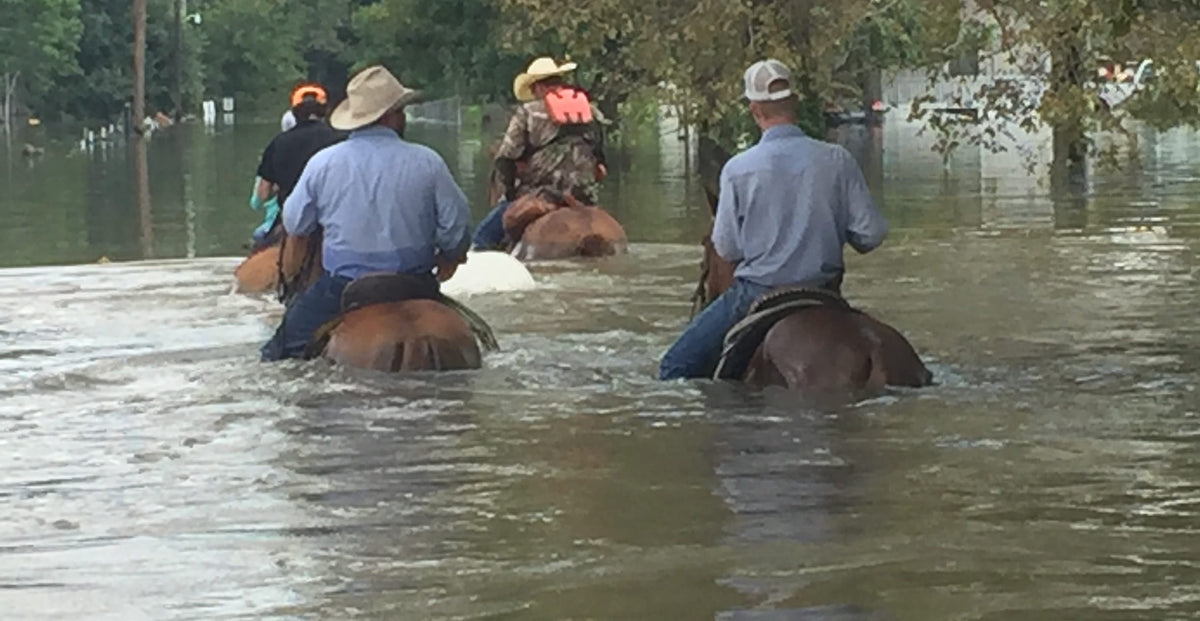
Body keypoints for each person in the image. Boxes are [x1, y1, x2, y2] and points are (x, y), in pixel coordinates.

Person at [658, 59, 889, 381]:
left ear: (754, 110)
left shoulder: (738, 169)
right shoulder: (838, 160)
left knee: (674, 367)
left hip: (759, 291)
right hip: (825, 290)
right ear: (794, 102)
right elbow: (872, 234)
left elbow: (726, 248)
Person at [260, 65, 472, 362]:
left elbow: (296, 222)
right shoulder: (429, 162)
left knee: (279, 354)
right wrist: (449, 255)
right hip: (416, 281)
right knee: (481, 341)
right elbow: (457, 225)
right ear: (392, 116)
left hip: (344, 285)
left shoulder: (323, 163)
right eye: (401, 110)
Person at [472, 57, 607, 250]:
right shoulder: (590, 111)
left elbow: (505, 159)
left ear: (539, 87)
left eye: (534, 90)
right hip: (583, 195)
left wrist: (510, 197)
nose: (534, 95)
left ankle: (480, 250)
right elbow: (601, 163)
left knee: (481, 238)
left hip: (542, 193)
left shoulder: (528, 112)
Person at [250, 83, 341, 246]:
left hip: (292, 221)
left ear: (294, 112)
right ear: (324, 111)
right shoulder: (339, 141)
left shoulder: (278, 143)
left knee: (261, 246)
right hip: (334, 219)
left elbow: (263, 194)